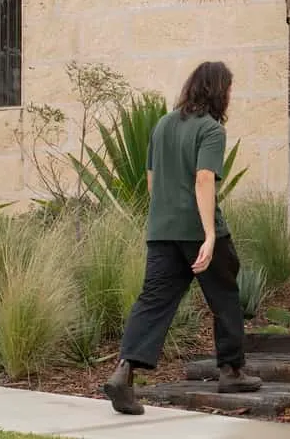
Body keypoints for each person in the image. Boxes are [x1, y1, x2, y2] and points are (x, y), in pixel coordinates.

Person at [104, 61, 261, 415]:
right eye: (229, 90)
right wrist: (207, 235)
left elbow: (150, 179)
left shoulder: (162, 125)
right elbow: (204, 179)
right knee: (224, 294)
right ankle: (232, 370)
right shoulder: (210, 131)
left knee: (153, 301)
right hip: (198, 230)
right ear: (218, 91)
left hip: (161, 231)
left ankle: (124, 372)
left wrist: (167, 216)